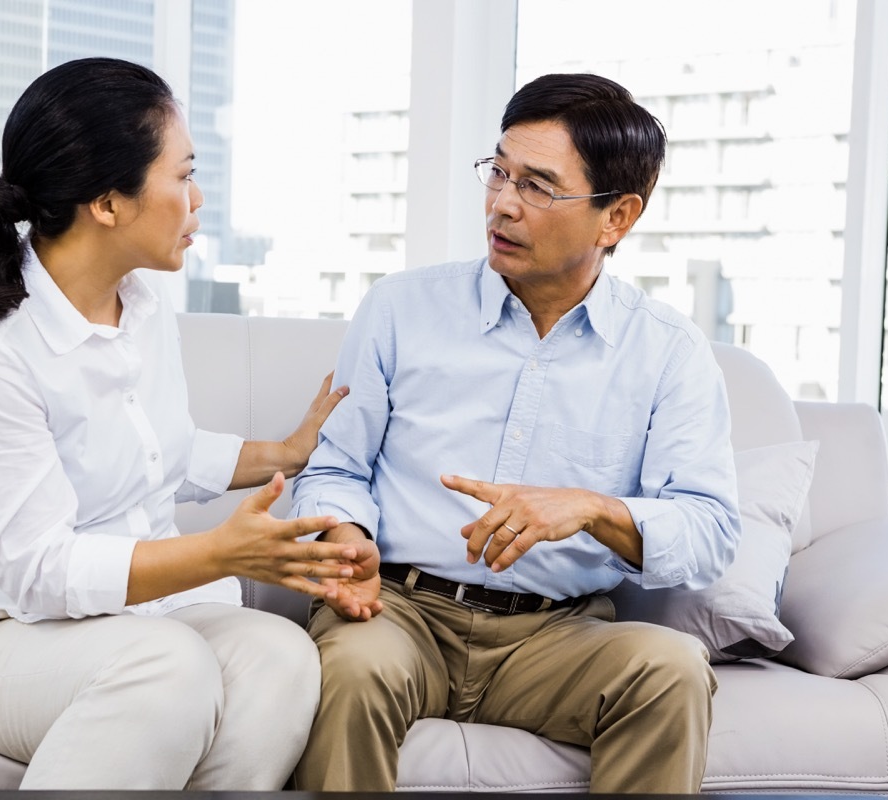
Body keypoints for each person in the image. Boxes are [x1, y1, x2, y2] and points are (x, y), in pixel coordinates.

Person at [0, 57, 359, 790]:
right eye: (182, 175)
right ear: (109, 204)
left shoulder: (144, 308)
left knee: (279, 654)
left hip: (128, 624)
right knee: (169, 668)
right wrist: (222, 554)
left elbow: (159, 456)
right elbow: (40, 573)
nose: (198, 197)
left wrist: (287, 452)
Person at [290, 72, 742, 794]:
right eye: (497, 171)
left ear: (616, 217)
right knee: (353, 668)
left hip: (557, 636)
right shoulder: (400, 308)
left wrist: (592, 509)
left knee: (671, 671)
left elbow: (711, 529)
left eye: (537, 185)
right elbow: (335, 468)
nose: (501, 203)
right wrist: (345, 541)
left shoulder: (669, 351)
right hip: (400, 611)